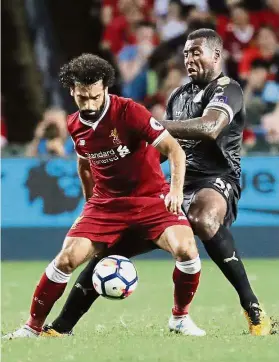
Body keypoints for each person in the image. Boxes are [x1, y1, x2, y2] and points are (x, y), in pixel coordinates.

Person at [42, 29, 271, 338]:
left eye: (197, 52)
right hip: (177, 180)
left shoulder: (228, 89)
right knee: (107, 251)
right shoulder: (178, 95)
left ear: (216, 55)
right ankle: (60, 327)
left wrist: (145, 125)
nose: (189, 58)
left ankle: (252, 307)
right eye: (186, 52)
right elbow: (162, 149)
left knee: (202, 219)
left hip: (217, 178)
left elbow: (210, 127)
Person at [3, 53, 205, 339]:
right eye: (82, 97)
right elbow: (85, 164)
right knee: (66, 259)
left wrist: (174, 190)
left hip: (152, 198)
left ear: (105, 89)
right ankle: (31, 327)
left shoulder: (130, 112)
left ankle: (180, 318)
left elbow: (175, 150)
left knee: (187, 250)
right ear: (72, 91)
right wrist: (89, 204)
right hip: (106, 205)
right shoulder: (74, 124)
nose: (89, 104)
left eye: (95, 96)